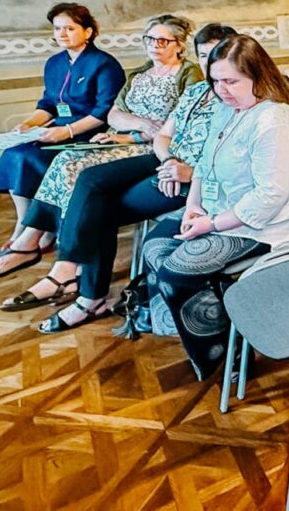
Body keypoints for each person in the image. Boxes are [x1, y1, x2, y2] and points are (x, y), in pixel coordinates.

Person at [33, 24, 238, 333]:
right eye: (204, 55)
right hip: (166, 159)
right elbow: (164, 134)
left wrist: (190, 172)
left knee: (100, 207)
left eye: (218, 55)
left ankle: (88, 294)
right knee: (90, 178)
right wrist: (168, 159)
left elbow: (233, 156)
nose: (210, 63)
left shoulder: (236, 95)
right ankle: (70, 268)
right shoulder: (196, 90)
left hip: (196, 179)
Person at [0, 13, 199, 287]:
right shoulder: (139, 73)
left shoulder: (189, 75)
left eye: (163, 41)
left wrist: (133, 135)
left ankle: (58, 254)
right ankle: (35, 237)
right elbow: (114, 114)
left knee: (78, 168)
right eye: (150, 39)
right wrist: (137, 124)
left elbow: (177, 125)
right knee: (65, 159)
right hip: (119, 138)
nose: (154, 45)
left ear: (179, 44)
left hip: (149, 149)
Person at [142, 34, 289, 380]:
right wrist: (193, 205)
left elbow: (269, 197)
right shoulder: (228, 110)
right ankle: (204, 325)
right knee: (155, 245)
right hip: (222, 211)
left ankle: (228, 355)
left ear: (258, 76)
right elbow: (204, 165)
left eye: (231, 81)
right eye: (216, 81)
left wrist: (210, 224)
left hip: (268, 226)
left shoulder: (275, 121)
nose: (221, 90)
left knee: (177, 270)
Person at [0, 3, 125, 278]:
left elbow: (104, 111)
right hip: (55, 130)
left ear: (88, 31)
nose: (62, 34)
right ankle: (25, 224)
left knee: (32, 157)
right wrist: (30, 124)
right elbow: (48, 104)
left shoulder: (104, 64)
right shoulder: (55, 63)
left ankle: (40, 230)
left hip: (90, 133)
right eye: (58, 29)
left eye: (70, 28)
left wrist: (67, 132)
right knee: (16, 152)